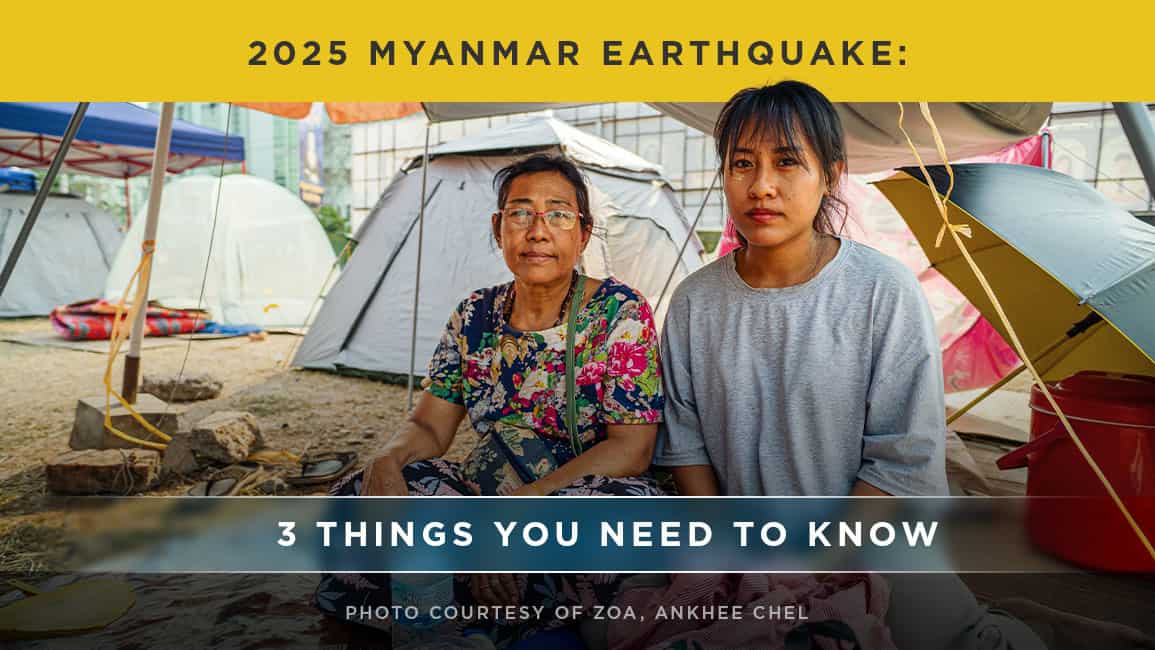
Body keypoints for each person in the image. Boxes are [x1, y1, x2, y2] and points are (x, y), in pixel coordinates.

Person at [653, 81, 1045, 649]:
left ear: (831, 175)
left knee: (942, 636)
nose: (761, 185)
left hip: (873, 547)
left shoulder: (882, 291)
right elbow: (684, 443)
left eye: (787, 162)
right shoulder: (694, 301)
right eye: (742, 163)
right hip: (744, 548)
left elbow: (902, 460)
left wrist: (811, 567)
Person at [316, 153, 665, 646]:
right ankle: (501, 604)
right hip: (488, 501)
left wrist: (516, 513)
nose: (538, 231)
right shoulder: (474, 316)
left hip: (574, 496)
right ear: (499, 228)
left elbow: (633, 449)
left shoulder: (619, 312)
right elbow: (431, 428)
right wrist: (389, 458)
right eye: (521, 213)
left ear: (583, 234)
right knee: (359, 498)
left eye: (559, 214)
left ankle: (479, 610)